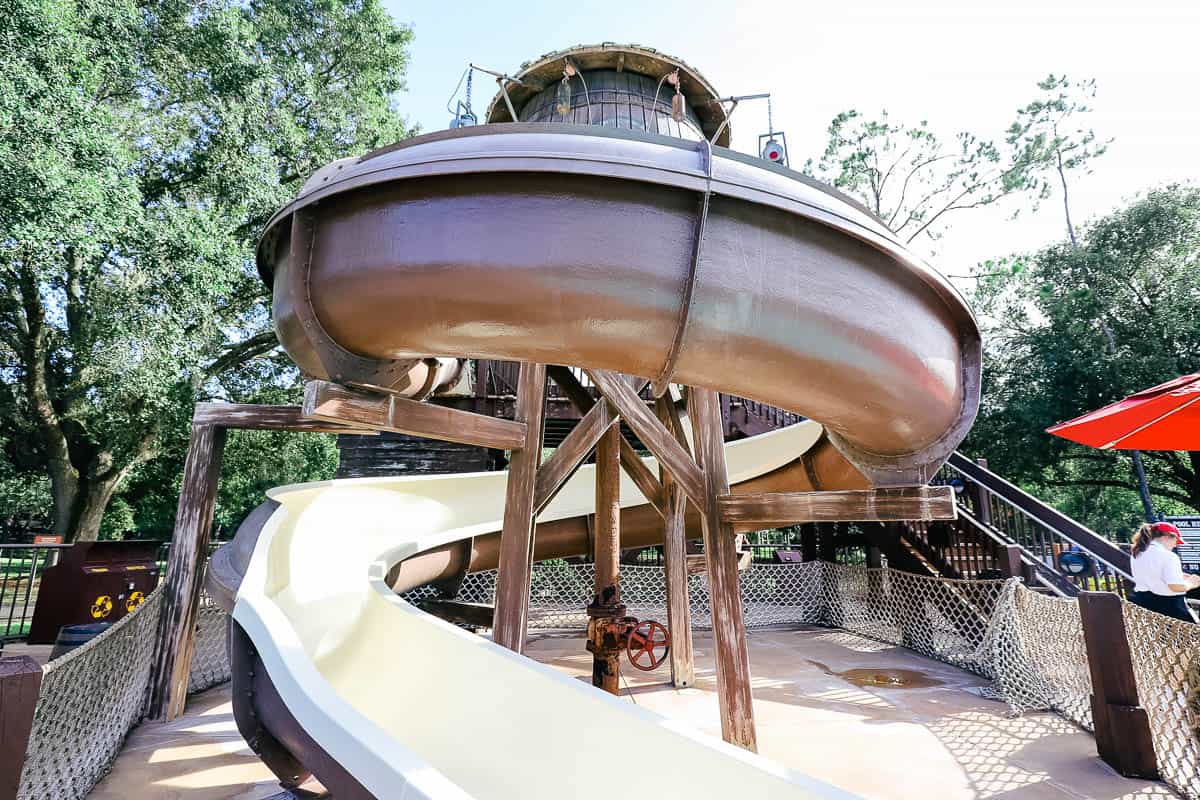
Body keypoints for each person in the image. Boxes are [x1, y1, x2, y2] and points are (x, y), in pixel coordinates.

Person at [1128, 521, 1200, 623]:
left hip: (1144, 604)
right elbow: (1175, 587)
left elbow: (1153, 575)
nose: (1175, 546)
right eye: (1176, 541)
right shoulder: (1169, 556)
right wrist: (1191, 583)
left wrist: (1180, 575)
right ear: (1167, 537)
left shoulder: (1138, 553)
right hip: (1171, 608)